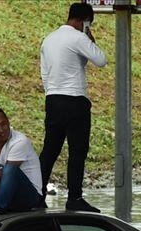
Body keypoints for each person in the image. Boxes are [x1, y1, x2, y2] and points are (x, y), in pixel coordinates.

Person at [39, 2, 108, 212]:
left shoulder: (49, 39)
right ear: (83, 21)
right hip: (75, 100)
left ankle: (36, 194)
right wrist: (89, 38)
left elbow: (44, 73)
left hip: (52, 99)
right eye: (88, 23)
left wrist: (51, 92)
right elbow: (101, 59)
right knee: (77, 151)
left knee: (50, 149)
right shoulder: (78, 37)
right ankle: (74, 198)